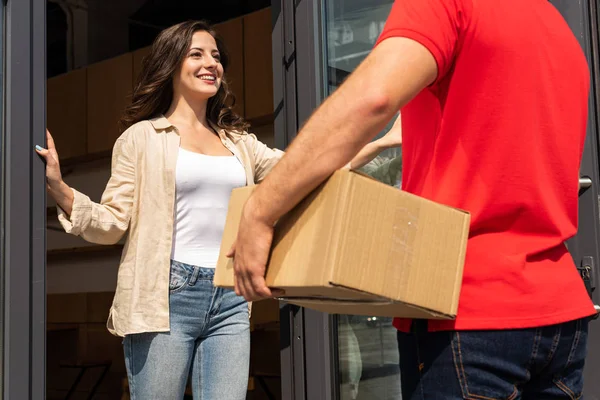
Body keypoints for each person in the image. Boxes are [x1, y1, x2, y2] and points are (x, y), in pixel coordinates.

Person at [228, 0, 597, 399]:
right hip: (560, 311)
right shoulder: (558, 29)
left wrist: (260, 211)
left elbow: (373, 99)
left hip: (465, 309)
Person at [36, 20, 401, 399]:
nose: (211, 63)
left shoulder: (240, 144)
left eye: (215, 56)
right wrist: (61, 189)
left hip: (230, 295)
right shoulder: (141, 138)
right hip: (165, 296)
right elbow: (112, 224)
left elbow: (304, 170)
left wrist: (379, 144)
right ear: (172, 65)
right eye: (197, 54)